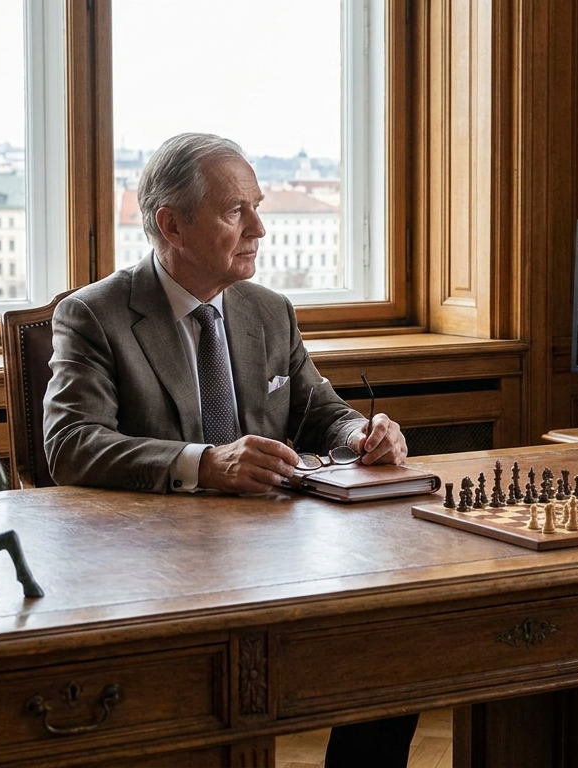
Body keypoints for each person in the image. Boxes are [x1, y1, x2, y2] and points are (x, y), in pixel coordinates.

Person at [43, 132, 418, 766]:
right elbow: (71, 445)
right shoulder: (95, 315)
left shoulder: (268, 311)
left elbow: (318, 409)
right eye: (235, 210)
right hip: (154, 571)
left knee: (396, 642)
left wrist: (362, 434)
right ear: (171, 224)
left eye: (257, 206)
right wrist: (205, 464)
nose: (260, 229)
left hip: (277, 550)